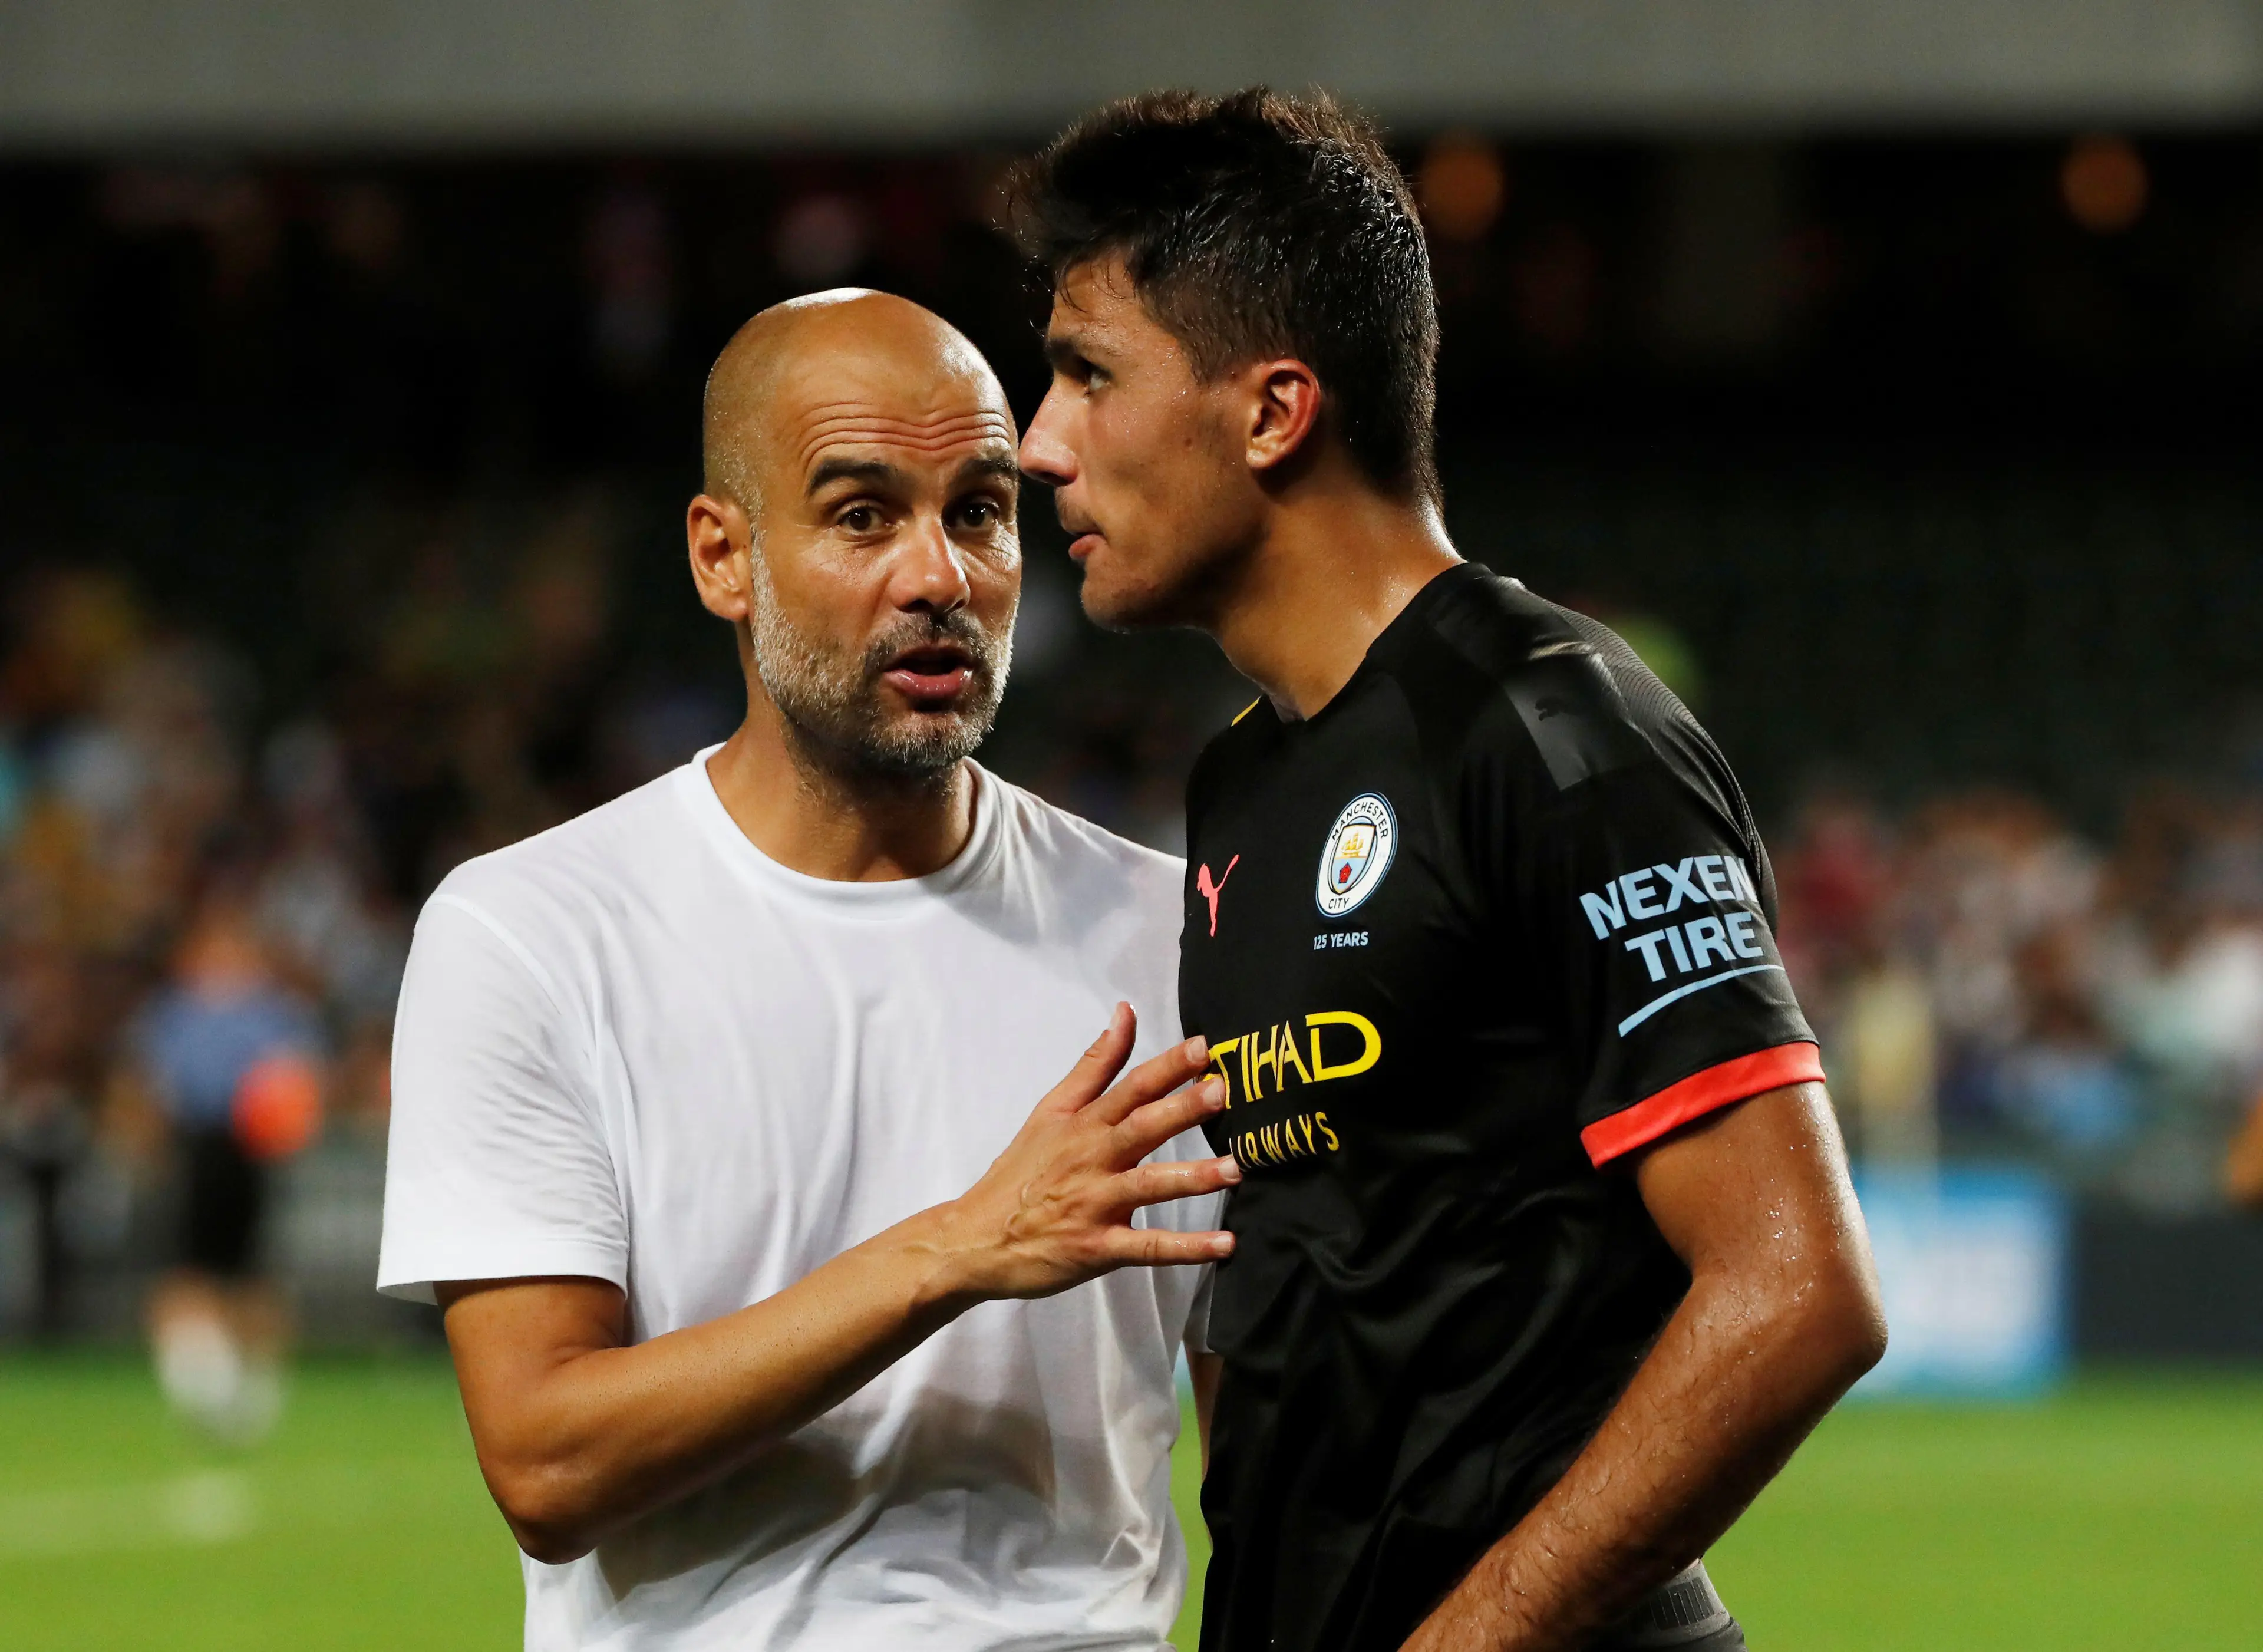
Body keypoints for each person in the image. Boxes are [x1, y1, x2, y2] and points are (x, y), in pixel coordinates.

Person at [1013, 91, 1888, 1652]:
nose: (1041, 442)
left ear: (1276, 409)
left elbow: (1798, 1287)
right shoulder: (1244, 777)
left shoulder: (1554, 727)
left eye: (1089, 374)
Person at [377, 290, 1241, 1651]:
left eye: (978, 510)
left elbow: (1259, 1445)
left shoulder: (1174, 930)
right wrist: (956, 1250)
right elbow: (546, 1461)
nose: (938, 576)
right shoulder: (531, 932)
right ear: (723, 557)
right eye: (859, 514)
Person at [130, 885, 326, 1442]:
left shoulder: (271, 1011)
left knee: (251, 1274)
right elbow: (153, 1085)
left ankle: (253, 1392)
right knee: (189, 1270)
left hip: (249, 1151)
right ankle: (207, 1388)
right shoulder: (177, 1010)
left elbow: (299, 1081)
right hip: (196, 1148)